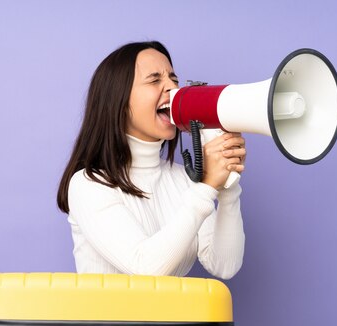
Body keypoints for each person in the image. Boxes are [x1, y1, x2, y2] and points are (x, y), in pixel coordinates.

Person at [57, 41, 246, 279]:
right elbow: (145, 268)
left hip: (175, 318)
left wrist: (227, 187)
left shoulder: (184, 180)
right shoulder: (89, 184)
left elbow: (224, 265)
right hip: (109, 317)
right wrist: (207, 187)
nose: (173, 88)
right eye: (155, 80)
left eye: (174, 80)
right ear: (119, 100)